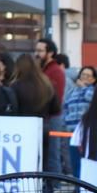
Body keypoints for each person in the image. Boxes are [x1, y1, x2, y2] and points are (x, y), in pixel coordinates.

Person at [36, 38, 67, 184]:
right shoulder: (44, 69)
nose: (37, 54)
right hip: (46, 116)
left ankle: (55, 185)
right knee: (48, 152)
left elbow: (56, 98)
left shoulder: (55, 71)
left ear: (51, 53)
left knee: (53, 152)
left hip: (52, 117)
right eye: (37, 50)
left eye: (41, 51)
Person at [63, 66, 97, 179]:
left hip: (87, 132)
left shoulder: (94, 90)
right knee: (74, 160)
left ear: (93, 79)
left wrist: (84, 88)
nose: (84, 78)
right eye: (83, 75)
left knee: (86, 161)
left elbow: (91, 99)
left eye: (88, 76)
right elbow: (66, 107)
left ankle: (87, 186)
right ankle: (78, 186)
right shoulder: (72, 91)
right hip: (72, 131)